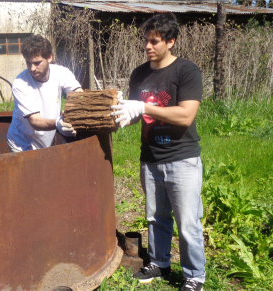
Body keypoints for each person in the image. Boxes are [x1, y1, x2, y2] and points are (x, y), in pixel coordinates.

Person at [111, 13, 205, 291]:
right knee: (156, 217)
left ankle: (194, 276)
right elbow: (141, 112)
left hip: (182, 157)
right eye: (146, 41)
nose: (148, 46)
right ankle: (160, 263)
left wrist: (143, 107)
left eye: (155, 41)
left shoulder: (186, 71)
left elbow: (186, 115)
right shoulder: (139, 74)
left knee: (187, 223)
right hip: (150, 157)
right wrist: (130, 116)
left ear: (171, 41)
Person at [6, 34, 83, 152]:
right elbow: (35, 121)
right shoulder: (20, 84)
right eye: (28, 63)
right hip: (21, 142)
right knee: (30, 170)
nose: (32, 68)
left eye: (37, 63)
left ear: (49, 57)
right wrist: (58, 123)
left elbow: (79, 95)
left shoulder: (60, 72)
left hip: (44, 141)